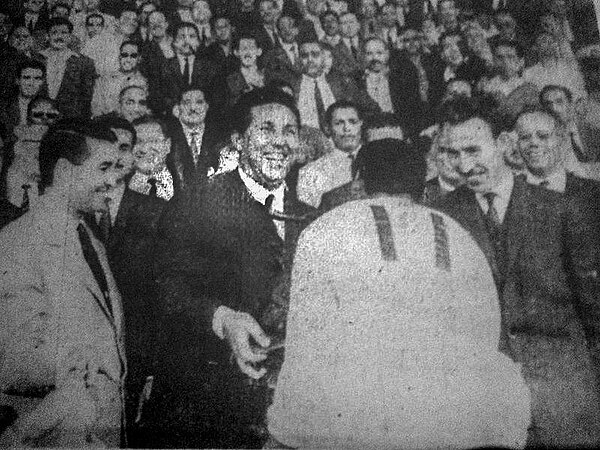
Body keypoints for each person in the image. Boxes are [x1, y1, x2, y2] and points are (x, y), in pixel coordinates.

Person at [267, 136, 531, 449]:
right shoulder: (460, 235)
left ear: (358, 181)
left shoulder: (327, 229)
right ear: (422, 186)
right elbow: (485, 337)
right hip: (454, 422)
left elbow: (306, 342)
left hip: (351, 421)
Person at [152, 87, 315, 448]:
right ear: (238, 140)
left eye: (289, 131)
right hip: (212, 404)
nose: (280, 141)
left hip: (288, 407)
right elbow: (165, 288)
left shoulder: (310, 217)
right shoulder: (197, 202)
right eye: (267, 129)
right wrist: (222, 318)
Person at [435, 96, 600, 448]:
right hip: (487, 398)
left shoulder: (562, 208)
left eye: (473, 150)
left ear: (504, 144)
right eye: (453, 153)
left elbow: (594, 310)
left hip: (564, 393)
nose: (464, 166)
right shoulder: (441, 216)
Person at [0, 119, 126, 447]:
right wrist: (70, 359)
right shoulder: (18, 242)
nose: (114, 179)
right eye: (104, 167)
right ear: (65, 172)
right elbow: (13, 361)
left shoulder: (90, 239)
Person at [297, 100, 363, 207]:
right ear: (327, 128)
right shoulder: (310, 173)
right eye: (338, 123)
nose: (347, 128)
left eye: (352, 122)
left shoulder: (378, 161)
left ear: (361, 124)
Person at [166, 86, 226, 193]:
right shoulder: (168, 136)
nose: (193, 108)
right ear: (178, 108)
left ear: (207, 106)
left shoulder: (220, 137)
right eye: (186, 103)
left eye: (199, 102)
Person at [37, 17, 96, 119]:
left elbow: (86, 98)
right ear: (47, 36)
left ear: (70, 37)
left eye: (64, 33)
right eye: (54, 32)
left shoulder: (84, 63)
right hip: (41, 117)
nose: (59, 37)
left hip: (70, 119)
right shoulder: (36, 60)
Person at [91, 40, 147, 117]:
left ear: (139, 59)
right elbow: (96, 108)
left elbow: (141, 111)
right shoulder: (103, 80)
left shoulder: (143, 84)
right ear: (119, 57)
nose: (128, 59)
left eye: (133, 56)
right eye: (125, 55)